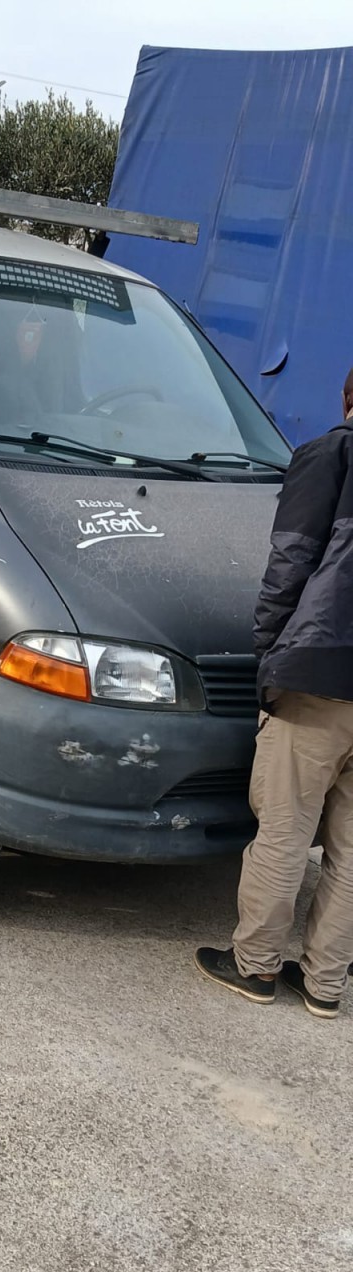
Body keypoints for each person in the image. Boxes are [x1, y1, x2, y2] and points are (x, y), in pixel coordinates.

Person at [196, 368, 353, 1019]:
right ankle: (325, 985)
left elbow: (289, 564)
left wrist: (269, 657)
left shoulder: (330, 456)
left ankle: (256, 966)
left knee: (286, 827)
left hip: (321, 672)